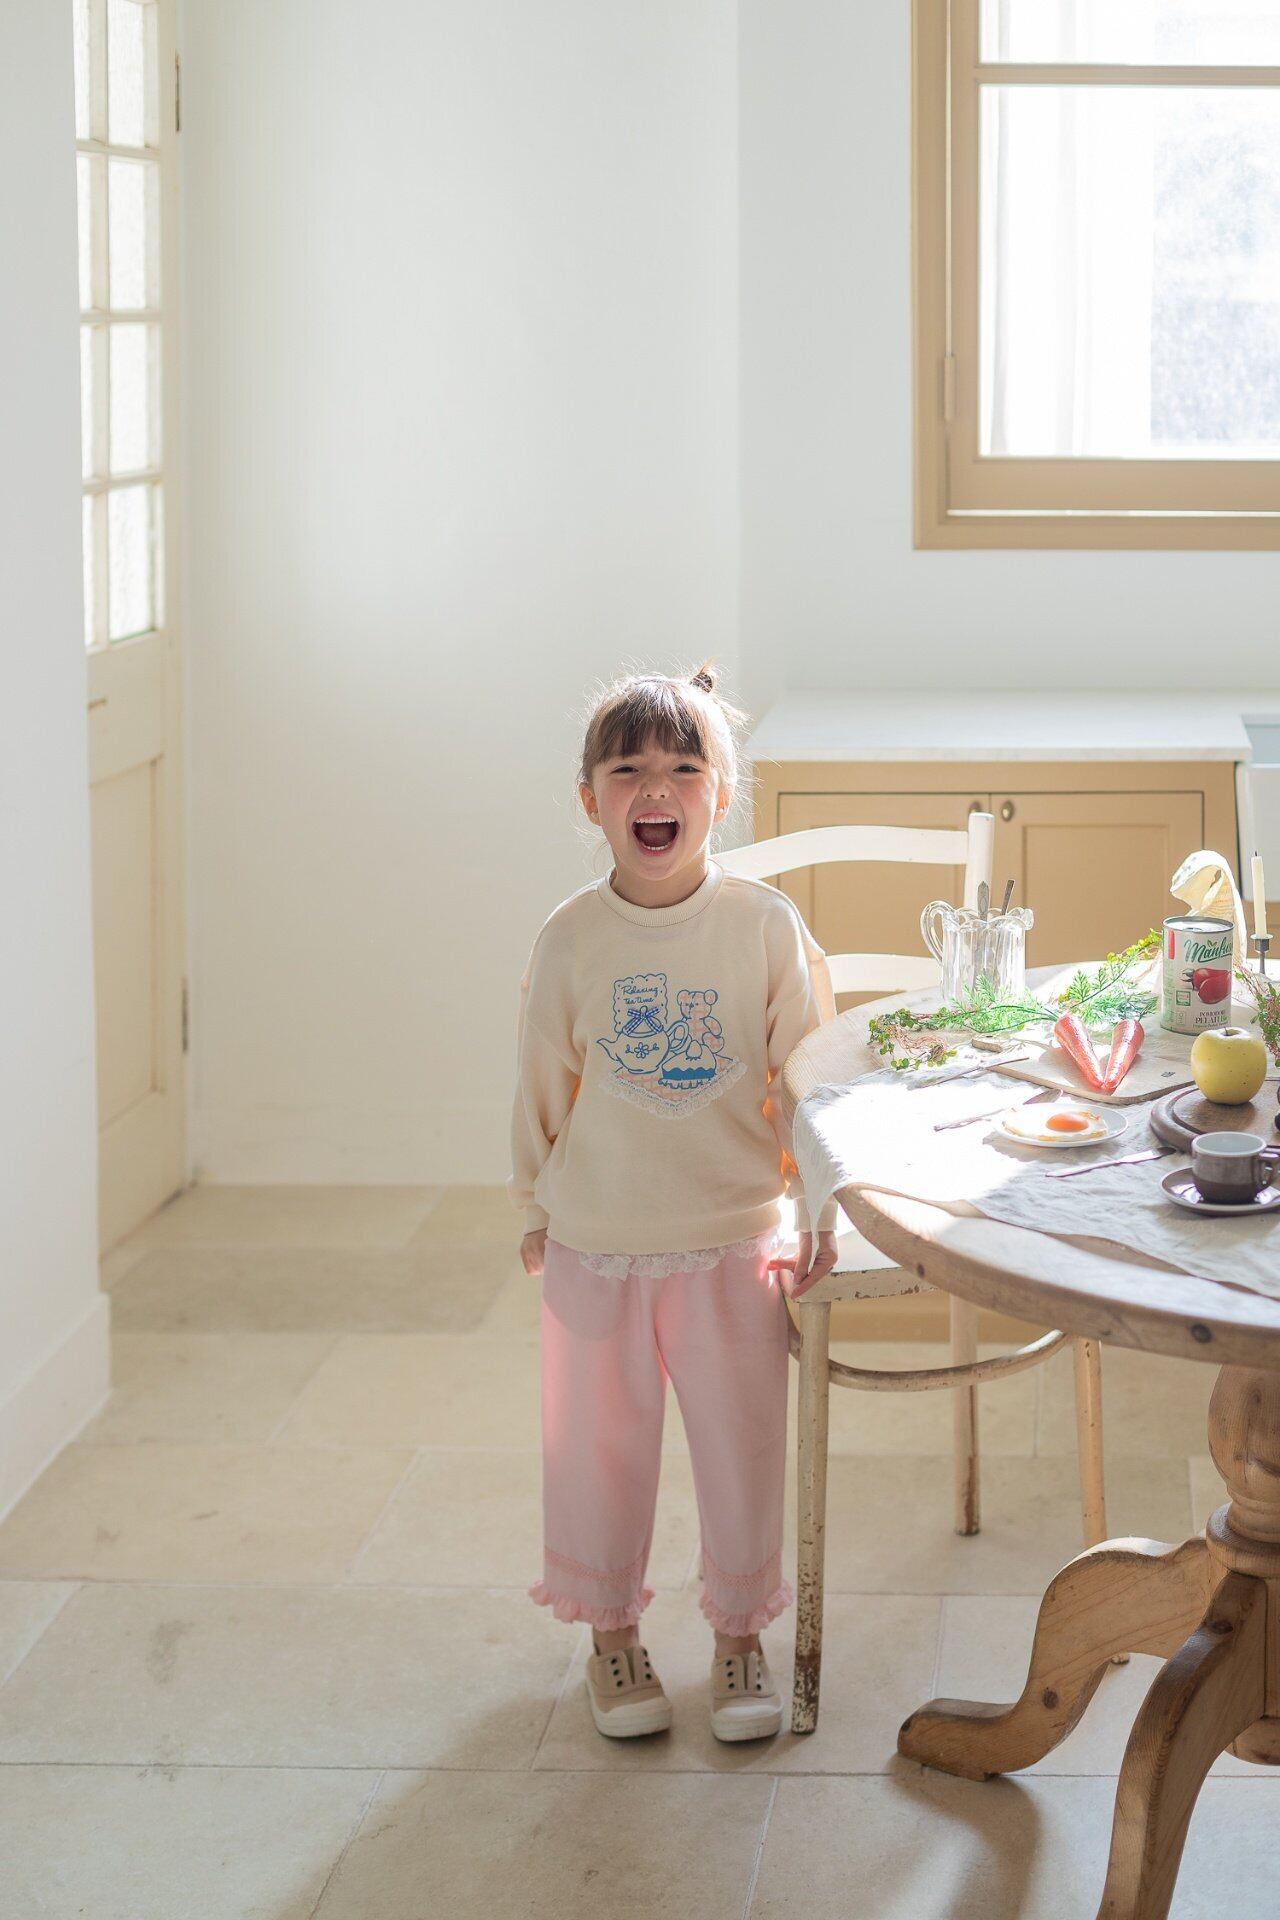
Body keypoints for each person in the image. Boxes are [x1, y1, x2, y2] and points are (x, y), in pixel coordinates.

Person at [509, 664, 838, 1741]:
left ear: (721, 795)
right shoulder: (569, 937)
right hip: (596, 1242)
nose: (656, 790)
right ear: (589, 799)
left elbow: (811, 1083)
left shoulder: (764, 926)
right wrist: (534, 1209)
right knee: (597, 1451)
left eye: (683, 769)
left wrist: (820, 1213)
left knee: (742, 1448)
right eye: (628, 771)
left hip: (733, 1239)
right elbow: (541, 1087)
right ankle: (611, 1637)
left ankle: (739, 1639)